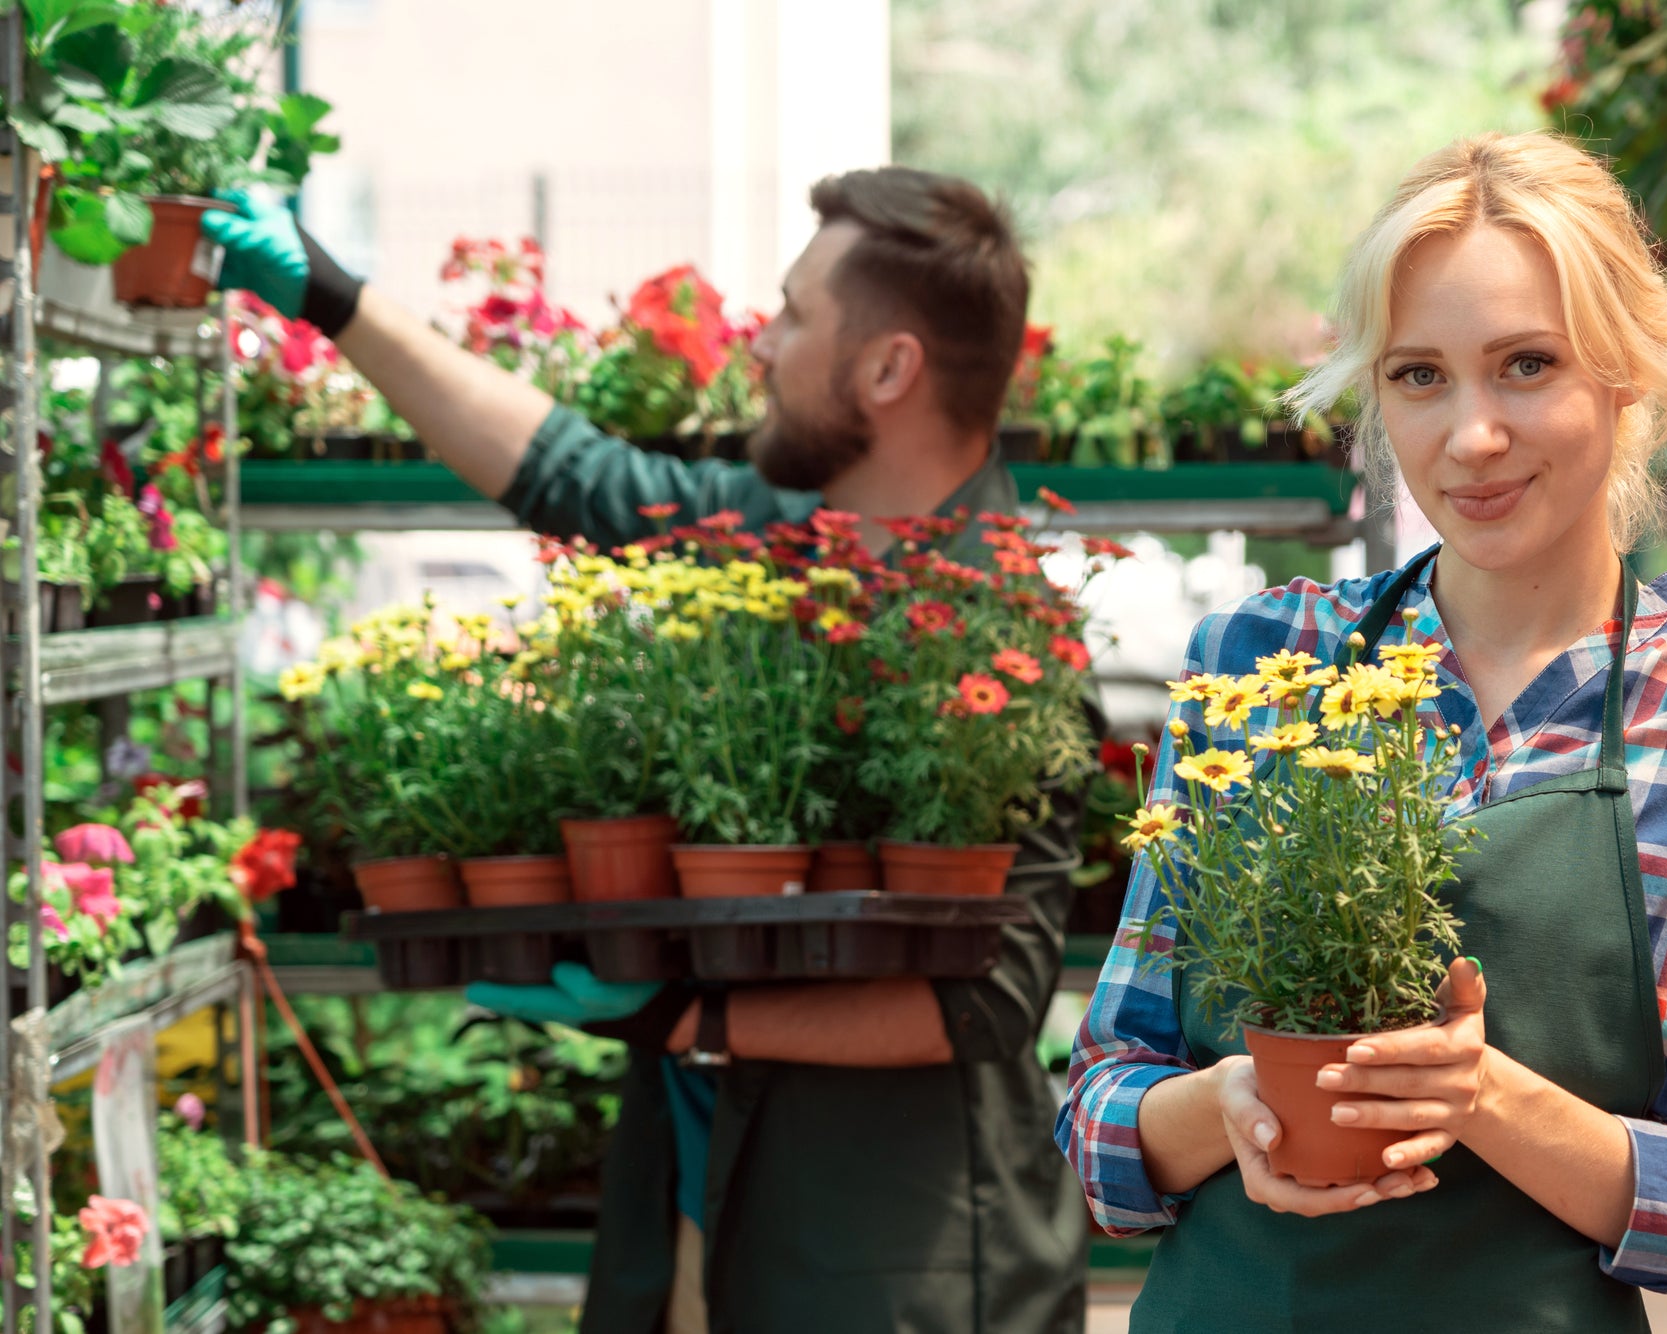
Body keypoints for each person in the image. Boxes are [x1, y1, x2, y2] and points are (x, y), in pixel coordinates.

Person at [205, 167, 1090, 1333]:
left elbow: (984, 1005)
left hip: (895, 1263)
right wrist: (333, 296)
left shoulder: (1007, 644)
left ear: (887, 369)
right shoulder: (781, 537)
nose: (759, 346)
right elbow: (563, 470)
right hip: (694, 1219)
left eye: (793, 315)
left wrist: (683, 1016)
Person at [1056, 130, 1667, 1332]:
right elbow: (1097, 1110)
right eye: (1417, 375)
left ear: (1625, 374)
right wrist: (1230, 1105)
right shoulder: (1257, 666)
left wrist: (1478, 1095)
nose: (1469, 436)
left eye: (1525, 364)